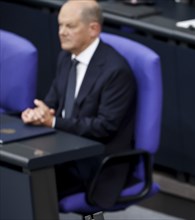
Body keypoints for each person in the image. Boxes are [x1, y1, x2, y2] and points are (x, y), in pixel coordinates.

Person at [21, 0, 136, 207]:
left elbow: (104, 127)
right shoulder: (66, 57)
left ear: (93, 29)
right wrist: (39, 113)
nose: (62, 32)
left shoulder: (116, 71)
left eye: (70, 26)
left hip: (95, 162)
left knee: (30, 183)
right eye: (60, 25)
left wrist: (53, 122)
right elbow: (53, 101)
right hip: (63, 151)